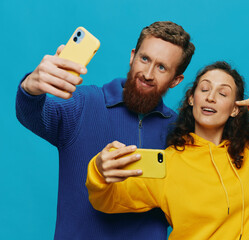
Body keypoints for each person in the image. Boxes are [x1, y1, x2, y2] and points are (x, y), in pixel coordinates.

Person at [86, 61, 249, 239]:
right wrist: (98, 171)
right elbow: (107, 201)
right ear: (192, 99)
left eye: (223, 93)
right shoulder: (168, 164)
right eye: (204, 89)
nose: (211, 97)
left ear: (235, 109)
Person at [16, 21, 195, 239]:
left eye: (161, 67)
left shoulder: (179, 130)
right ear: (132, 56)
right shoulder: (83, 103)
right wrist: (30, 89)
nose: (147, 73)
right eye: (144, 59)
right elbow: (33, 115)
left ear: (176, 80)